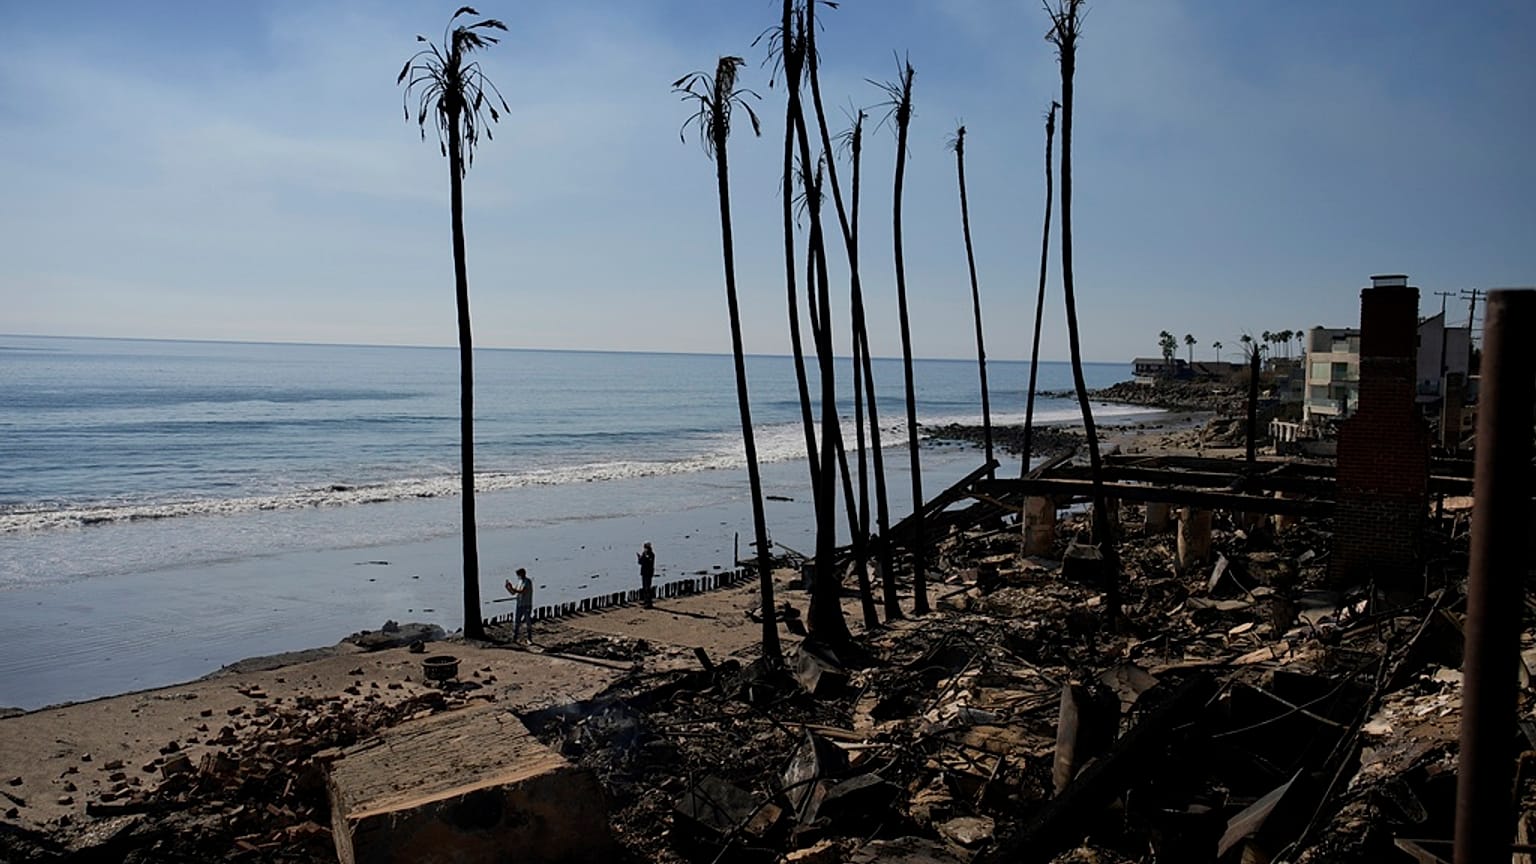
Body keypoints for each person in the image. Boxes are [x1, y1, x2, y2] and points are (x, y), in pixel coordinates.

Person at [504, 568, 534, 643]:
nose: (518, 576)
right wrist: (509, 588)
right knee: (517, 622)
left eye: (518, 574)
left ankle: (529, 638)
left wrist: (513, 589)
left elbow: (523, 591)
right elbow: (513, 593)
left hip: (526, 604)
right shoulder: (520, 582)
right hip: (519, 604)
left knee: (528, 622)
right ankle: (515, 638)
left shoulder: (528, 581)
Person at [637, 542, 656, 608]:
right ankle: (645, 601)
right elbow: (640, 562)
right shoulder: (644, 554)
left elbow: (649, 562)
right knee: (644, 587)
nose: (645, 549)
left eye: (646, 548)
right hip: (644, 572)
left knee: (648, 588)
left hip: (648, 573)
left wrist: (644, 558)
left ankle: (649, 603)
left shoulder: (651, 555)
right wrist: (639, 558)